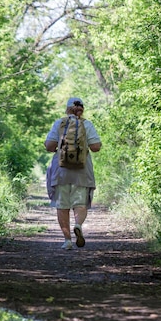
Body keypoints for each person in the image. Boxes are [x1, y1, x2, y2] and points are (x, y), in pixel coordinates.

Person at [45, 97, 102, 249]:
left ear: (67, 109)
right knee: (80, 204)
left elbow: (49, 146)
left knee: (62, 206)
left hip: (61, 171)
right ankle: (78, 224)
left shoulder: (59, 123)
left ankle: (67, 240)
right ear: (81, 110)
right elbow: (96, 146)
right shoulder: (87, 124)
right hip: (82, 171)